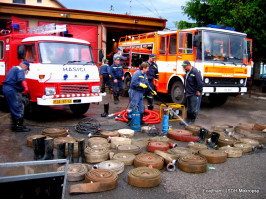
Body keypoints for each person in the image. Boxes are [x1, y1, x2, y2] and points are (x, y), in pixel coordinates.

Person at [2, 61, 31, 132]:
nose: (26, 71)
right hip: (12, 90)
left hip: (7, 88)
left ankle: (14, 125)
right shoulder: (20, 69)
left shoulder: (13, 68)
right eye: (26, 69)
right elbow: (21, 79)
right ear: (25, 66)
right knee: (18, 106)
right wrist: (26, 89)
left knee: (13, 107)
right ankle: (18, 126)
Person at [181, 60, 203, 125]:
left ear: (189, 66)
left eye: (185, 67)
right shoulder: (187, 72)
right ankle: (187, 119)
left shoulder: (195, 72)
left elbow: (200, 83)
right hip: (189, 93)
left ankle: (192, 120)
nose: (184, 68)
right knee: (189, 108)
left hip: (194, 93)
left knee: (194, 108)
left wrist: (198, 91)